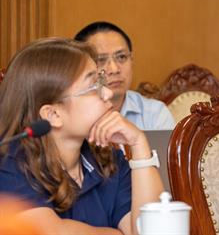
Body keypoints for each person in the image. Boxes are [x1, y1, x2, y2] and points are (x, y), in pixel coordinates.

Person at [0, 38, 164, 234]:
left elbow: (154, 231)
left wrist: (139, 144)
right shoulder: (11, 164)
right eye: (93, 87)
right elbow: (51, 232)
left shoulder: (109, 161)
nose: (108, 93)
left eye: (101, 81)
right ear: (53, 114)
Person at [75, 22, 175, 130]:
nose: (114, 69)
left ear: (131, 60)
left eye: (121, 57)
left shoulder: (155, 113)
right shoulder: (70, 116)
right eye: (100, 60)